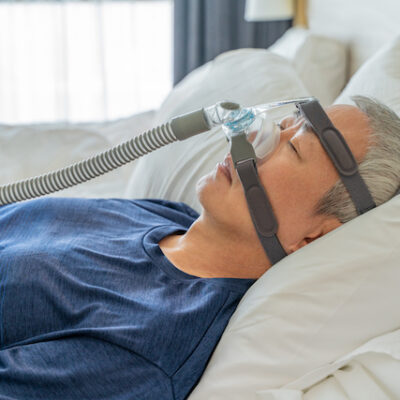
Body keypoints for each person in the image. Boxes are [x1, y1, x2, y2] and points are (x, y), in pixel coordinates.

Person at [0, 96, 399, 399]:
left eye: (294, 149)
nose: (258, 139)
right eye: (283, 126)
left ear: (314, 238)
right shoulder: (166, 217)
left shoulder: (149, 347)